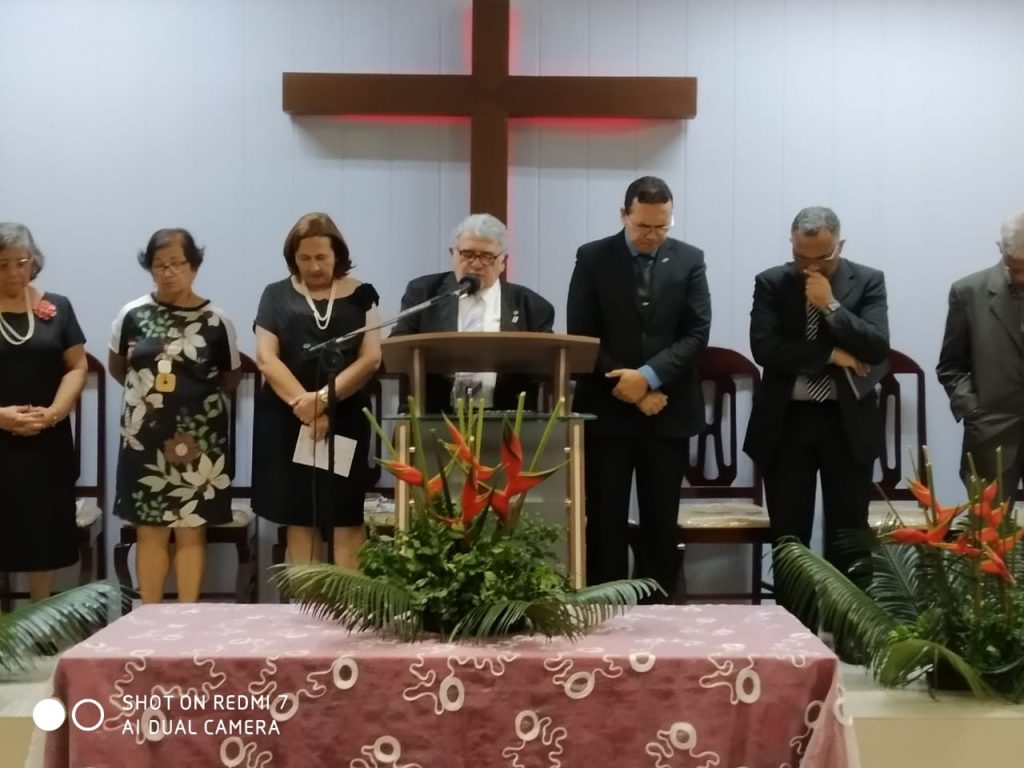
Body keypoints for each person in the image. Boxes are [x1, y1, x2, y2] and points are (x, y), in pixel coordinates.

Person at [567, 176, 711, 599]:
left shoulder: (690, 260)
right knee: (605, 518)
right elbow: (582, 333)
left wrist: (647, 378)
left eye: (661, 226)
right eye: (643, 226)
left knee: (660, 522)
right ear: (624, 215)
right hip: (606, 411)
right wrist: (628, 385)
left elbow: (696, 333)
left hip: (667, 409)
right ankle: (604, 608)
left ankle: (657, 612)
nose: (652, 235)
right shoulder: (593, 257)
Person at [743, 206, 889, 617]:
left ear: (840, 245)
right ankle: (794, 631)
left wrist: (831, 307)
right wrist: (831, 354)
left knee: (849, 534)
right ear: (791, 244)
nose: (810, 266)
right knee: (790, 537)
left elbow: (876, 345)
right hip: (787, 422)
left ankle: (851, 630)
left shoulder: (868, 280)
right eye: (800, 256)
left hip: (846, 424)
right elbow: (764, 348)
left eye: (822, 257)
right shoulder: (771, 282)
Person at [110, 228, 241, 604]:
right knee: (149, 527)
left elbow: (230, 377)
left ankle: (188, 619)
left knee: (191, 526)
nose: (168, 272)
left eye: (176, 263)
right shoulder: (132, 314)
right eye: (159, 265)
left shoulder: (217, 320)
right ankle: (149, 616)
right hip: (144, 436)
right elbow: (117, 367)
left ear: (194, 266)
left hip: (199, 438)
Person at [253, 212, 381, 568]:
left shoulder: (362, 294)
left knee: (345, 515)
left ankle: (349, 600)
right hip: (287, 417)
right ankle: (307, 601)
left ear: (337, 255)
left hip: (345, 415)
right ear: (293, 258)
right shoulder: (274, 294)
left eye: (321, 257)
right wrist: (306, 407)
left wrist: (322, 400)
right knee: (300, 516)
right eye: (305, 258)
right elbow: (266, 357)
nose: (313, 266)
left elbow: (370, 358)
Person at [0, 223, 88, 600]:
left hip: (47, 440)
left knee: (44, 533)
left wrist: (54, 412)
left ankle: (41, 619)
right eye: (3, 264)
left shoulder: (58, 307)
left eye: (21, 262)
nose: (13, 272)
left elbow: (77, 366)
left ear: (33, 261)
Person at [390, 213, 555, 413]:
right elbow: (398, 346)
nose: (476, 264)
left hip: (507, 418)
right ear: (453, 254)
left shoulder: (530, 305)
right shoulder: (424, 293)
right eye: (467, 254)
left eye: (487, 257)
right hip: (432, 414)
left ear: (502, 261)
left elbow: (547, 364)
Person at [937, 211, 1024, 494]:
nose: (1021, 276)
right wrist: (974, 411)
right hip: (990, 437)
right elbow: (950, 366)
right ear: (1001, 249)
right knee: (987, 523)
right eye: (1014, 266)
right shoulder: (968, 292)